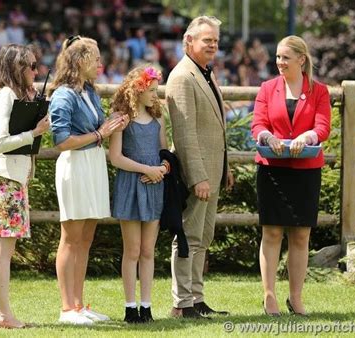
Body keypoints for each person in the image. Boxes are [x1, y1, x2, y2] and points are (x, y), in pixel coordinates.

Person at [48, 35, 128, 325]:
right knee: (70, 238)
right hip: (75, 165)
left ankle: (79, 305)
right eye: (95, 59)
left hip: (92, 163)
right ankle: (66, 308)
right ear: (80, 61)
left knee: (86, 237)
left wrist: (114, 123)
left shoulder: (90, 91)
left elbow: (100, 128)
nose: (100, 64)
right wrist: (100, 134)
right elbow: (61, 140)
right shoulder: (63, 95)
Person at [251, 35, 331, 316]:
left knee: (300, 236)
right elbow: (258, 122)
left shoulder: (319, 91)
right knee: (271, 232)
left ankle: (295, 298)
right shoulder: (266, 88)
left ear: (301, 59)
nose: (279, 62)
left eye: (285, 57)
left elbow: (322, 127)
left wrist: (307, 136)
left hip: (306, 171)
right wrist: (266, 136)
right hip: (272, 168)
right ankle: (269, 296)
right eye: (277, 57)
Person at [165, 16, 234, 319]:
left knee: (203, 238)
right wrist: (198, 177)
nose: (213, 45)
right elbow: (184, 133)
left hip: (213, 170)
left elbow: (215, 127)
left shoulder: (205, 73)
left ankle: (197, 297)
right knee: (188, 237)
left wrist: (224, 167)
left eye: (216, 41)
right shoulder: (182, 77)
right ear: (189, 41)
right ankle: (182, 303)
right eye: (207, 40)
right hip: (198, 174)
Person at [0, 44, 50, 328]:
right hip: (5, 179)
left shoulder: (14, 96)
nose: (36, 71)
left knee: (4, 249)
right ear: (16, 68)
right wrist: (33, 132)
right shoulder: (4, 96)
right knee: (3, 250)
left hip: (13, 179)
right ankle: (4, 315)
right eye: (31, 66)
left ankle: (1, 313)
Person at [109, 66, 167, 323]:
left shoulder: (158, 118)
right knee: (131, 250)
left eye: (157, 90)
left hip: (154, 186)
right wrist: (147, 169)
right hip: (131, 186)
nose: (156, 95)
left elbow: (165, 152)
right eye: (152, 91)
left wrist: (163, 169)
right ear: (138, 90)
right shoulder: (123, 119)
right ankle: (130, 307)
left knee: (147, 251)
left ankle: (147, 306)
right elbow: (116, 158)